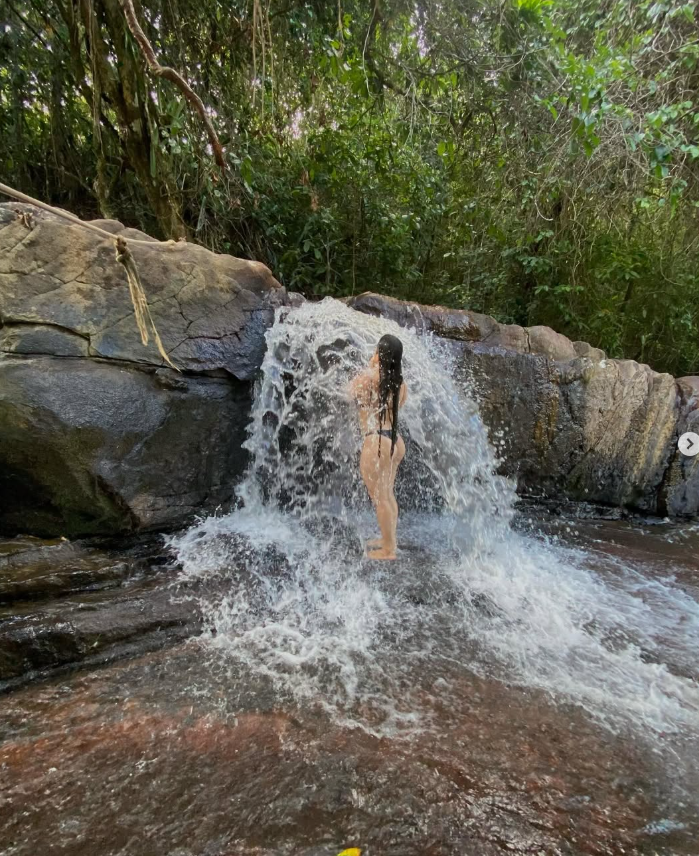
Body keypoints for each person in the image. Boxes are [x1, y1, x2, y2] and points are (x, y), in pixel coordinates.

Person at [349, 334, 407, 560]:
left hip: (376, 442)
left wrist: (370, 366)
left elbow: (347, 394)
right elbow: (397, 404)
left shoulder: (369, 377)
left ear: (379, 353)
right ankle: (388, 540)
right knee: (387, 494)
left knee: (380, 497)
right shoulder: (401, 384)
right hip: (394, 441)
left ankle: (388, 551)